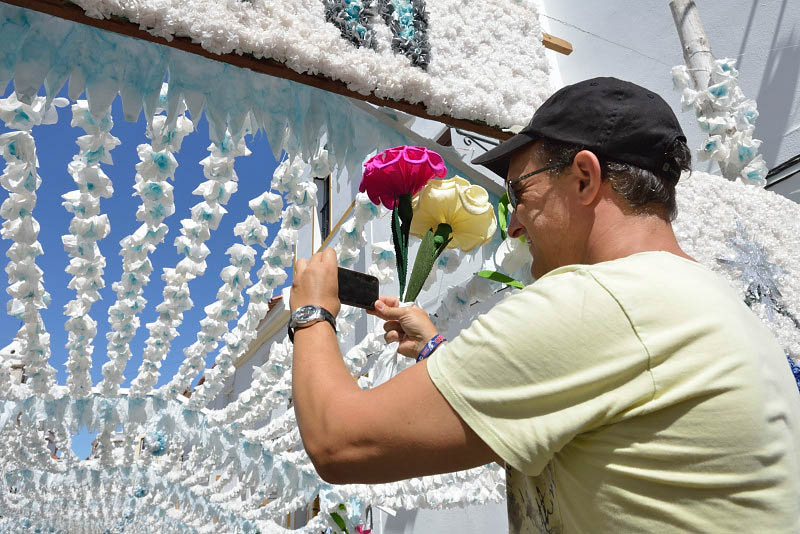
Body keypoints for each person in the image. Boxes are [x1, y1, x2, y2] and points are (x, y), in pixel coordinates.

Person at [289, 77, 800, 533]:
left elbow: (341, 441)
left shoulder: (596, 301)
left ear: (584, 178)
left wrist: (313, 312)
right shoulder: (699, 301)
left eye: (519, 192)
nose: (512, 223)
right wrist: (435, 349)